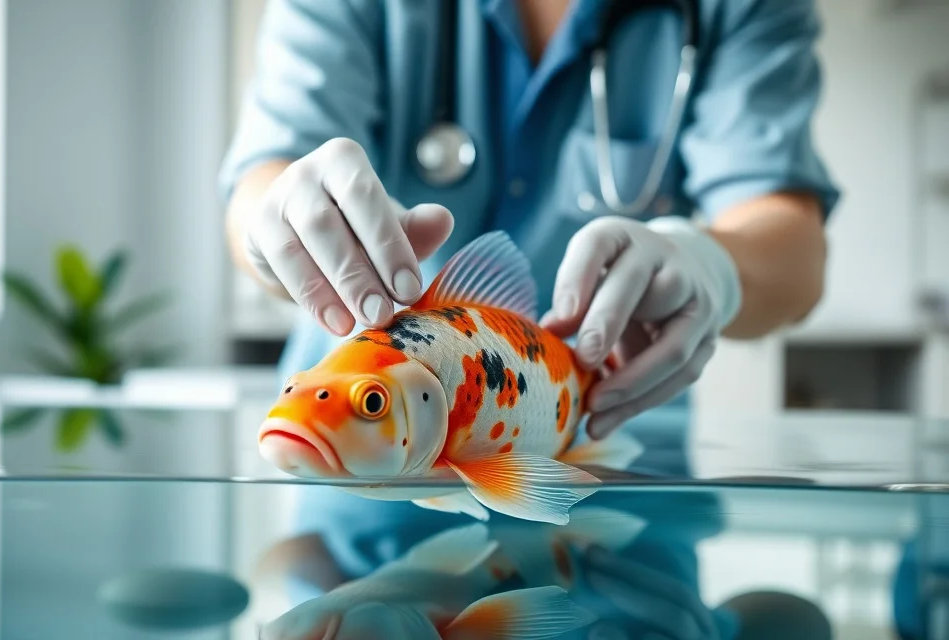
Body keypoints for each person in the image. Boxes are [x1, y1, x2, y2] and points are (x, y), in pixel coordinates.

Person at [218, 0, 840, 625]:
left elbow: (792, 245)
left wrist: (713, 266)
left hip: (614, 460)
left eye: (375, 401)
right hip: (354, 502)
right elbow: (266, 167)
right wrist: (274, 221)